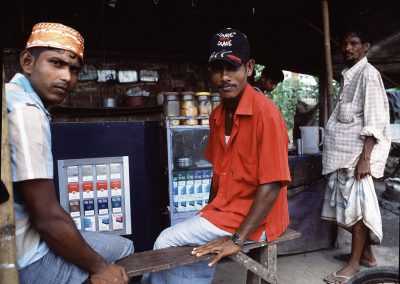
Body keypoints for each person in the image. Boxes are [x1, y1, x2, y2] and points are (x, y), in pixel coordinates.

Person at [142, 28, 291, 284]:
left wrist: (236, 239)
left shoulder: (266, 113)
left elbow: (272, 184)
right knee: (190, 242)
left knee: (166, 239)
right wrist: (208, 213)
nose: (224, 77)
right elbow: (217, 175)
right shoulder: (218, 115)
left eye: (232, 67)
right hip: (228, 212)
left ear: (250, 68)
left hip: (259, 221)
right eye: (217, 68)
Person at [6, 22, 134, 284]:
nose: (66, 76)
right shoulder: (26, 111)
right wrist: (100, 268)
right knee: (124, 251)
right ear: (27, 62)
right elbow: (48, 218)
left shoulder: (9, 95)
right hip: (25, 259)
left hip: (11, 236)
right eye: (56, 63)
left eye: (74, 69)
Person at [321, 25, 391, 284]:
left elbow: (374, 121)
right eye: (345, 43)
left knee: (357, 213)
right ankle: (368, 256)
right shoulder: (350, 75)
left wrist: (365, 159)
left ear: (366, 47)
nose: (347, 47)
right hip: (342, 156)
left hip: (355, 159)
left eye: (353, 42)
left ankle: (353, 264)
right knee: (344, 211)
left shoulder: (368, 75)